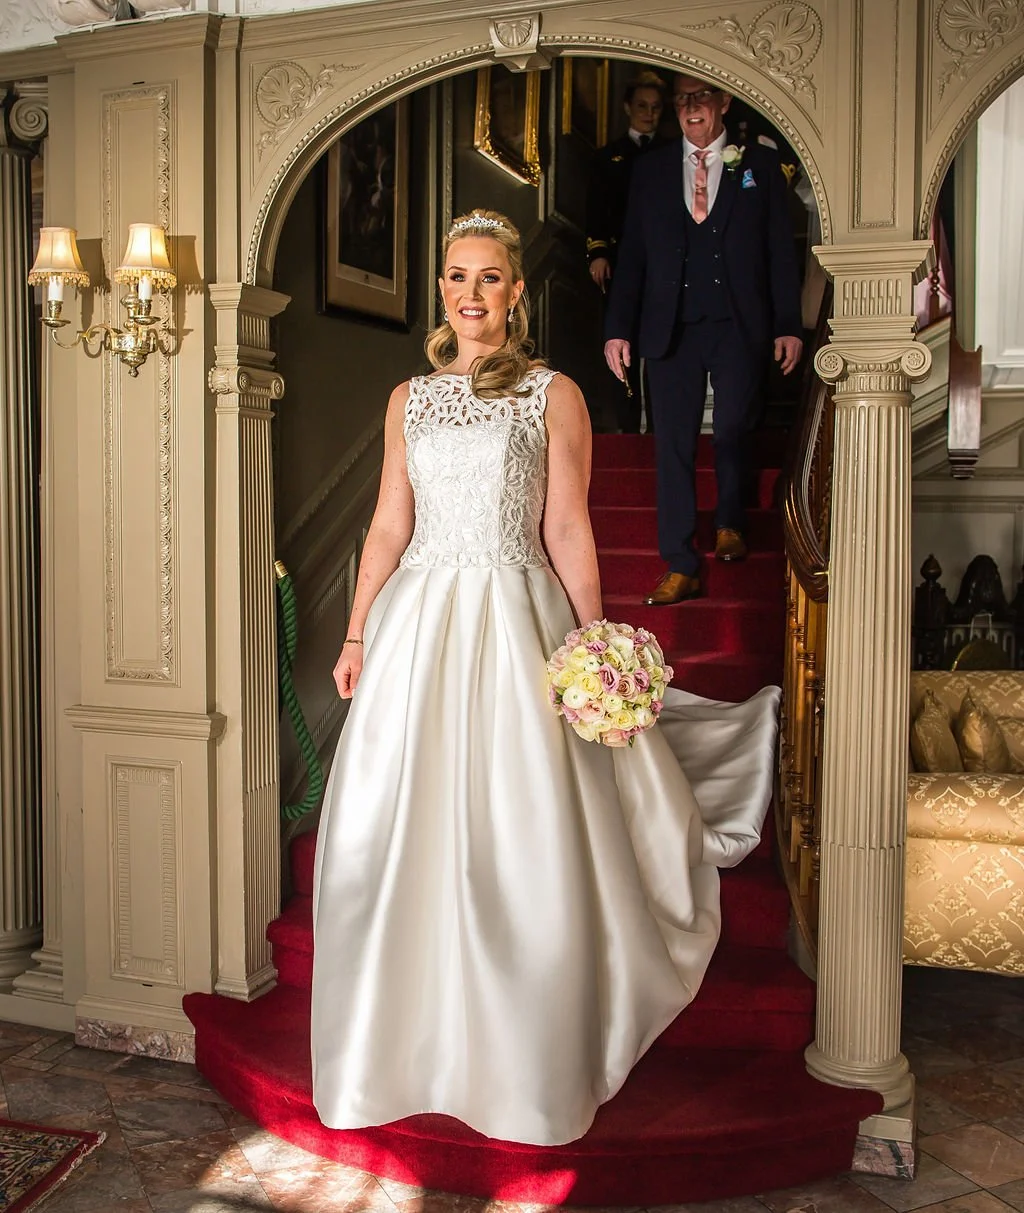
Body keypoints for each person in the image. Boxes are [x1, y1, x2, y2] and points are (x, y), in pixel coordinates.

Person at [311, 209, 779, 1147]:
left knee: (521, 818)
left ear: (517, 292)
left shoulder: (552, 393)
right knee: (400, 819)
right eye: (455, 276)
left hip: (518, 614)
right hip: (418, 623)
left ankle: (524, 1052)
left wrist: (594, 636)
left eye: (488, 277)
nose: (469, 293)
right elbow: (388, 526)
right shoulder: (410, 398)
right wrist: (359, 627)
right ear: (440, 288)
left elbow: (567, 524)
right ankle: (395, 1044)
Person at [604, 75, 803, 606]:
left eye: (701, 98)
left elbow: (781, 252)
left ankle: (732, 522)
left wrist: (788, 323)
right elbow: (633, 258)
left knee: (736, 426)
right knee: (672, 444)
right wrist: (618, 329)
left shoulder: (757, 166)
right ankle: (680, 562)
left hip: (740, 323)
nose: (691, 109)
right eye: (682, 101)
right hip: (670, 328)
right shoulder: (650, 170)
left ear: (723, 102)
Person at [585, 71, 666, 432]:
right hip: (621, 265)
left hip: (662, 265)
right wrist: (597, 253)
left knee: (660, 342)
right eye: (642, 106)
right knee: (621, 341)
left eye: (655, 107)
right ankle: (627, 423)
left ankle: (661, 421)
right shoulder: (608, 157)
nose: (649, 113)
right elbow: (596, 209)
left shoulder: (670, 155)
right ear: (627, 108)